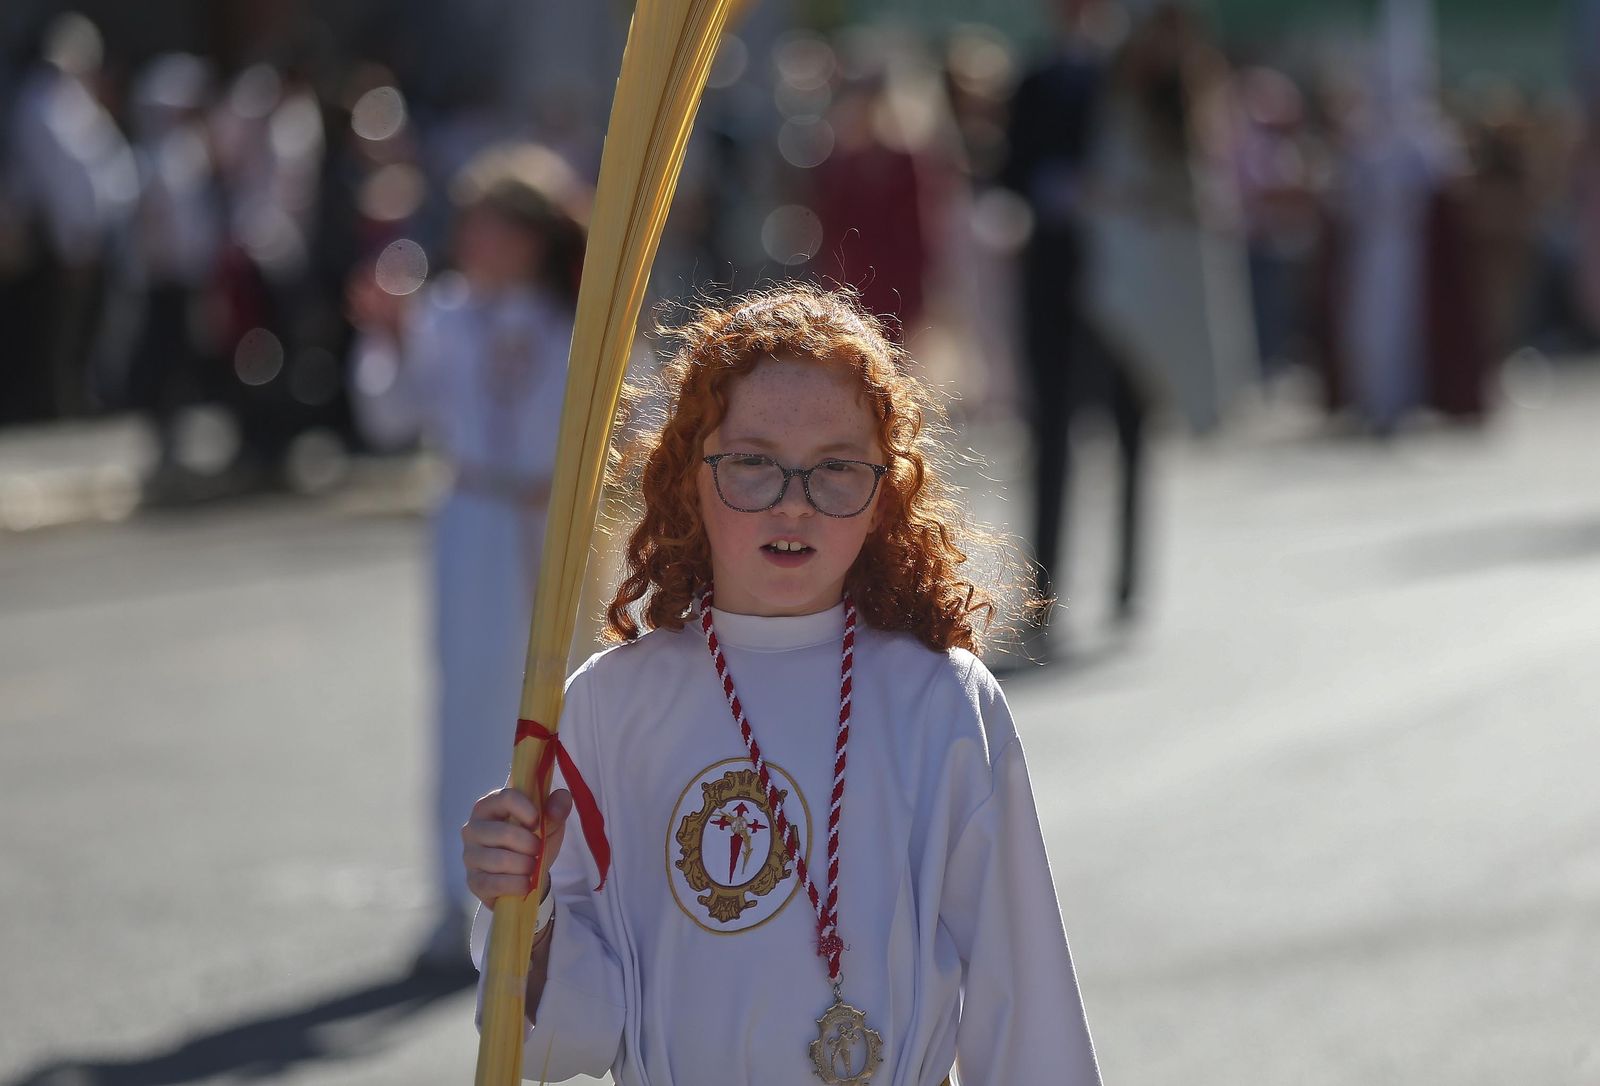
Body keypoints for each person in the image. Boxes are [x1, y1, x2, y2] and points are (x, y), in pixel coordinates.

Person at [461, 285, 1101, 1084]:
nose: (793, 506)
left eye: (835, 469)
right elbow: (570, 1037)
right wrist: (528, 907)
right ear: (687, 476)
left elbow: (1024, 992)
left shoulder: (940, 699)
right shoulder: (609, 705)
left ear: (885, 494)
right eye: (754, 463)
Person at [348, 142, 589, 972]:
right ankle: (457, 902)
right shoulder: (440, 314)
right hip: (474, 520)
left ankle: (568, 892)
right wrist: (381, 335)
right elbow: (386, 419)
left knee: (565, 705)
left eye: (489, 226)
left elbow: (629, 414)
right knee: (466, 711)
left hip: (556, 523)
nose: (471, 241)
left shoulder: (577, 319)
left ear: (527, 237)